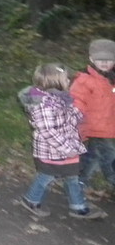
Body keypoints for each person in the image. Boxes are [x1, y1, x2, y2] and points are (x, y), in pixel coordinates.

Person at [18, 62, 106, 220]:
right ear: (55, 81)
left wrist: (78, 115)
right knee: (46, 177)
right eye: (66, 79)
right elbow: (48, 131)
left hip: (66, 148)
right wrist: (66, 148)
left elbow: (67, 116)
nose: (69, 81)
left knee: (72, 176)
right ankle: (31, 200)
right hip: (53, 151)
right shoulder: (43, 105)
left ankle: (78, 206)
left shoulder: (60, 98)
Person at [71, 38, 115, 191]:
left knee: (94, 156)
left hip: (106, 127)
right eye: (100, 59)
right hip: (91, 127)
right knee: (105, 156)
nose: (105, 63)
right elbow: (77, 99)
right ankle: (79, 183)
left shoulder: (111, 80)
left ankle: (79, 181)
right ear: (91, 59)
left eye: (109, 60)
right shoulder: (84, 80)